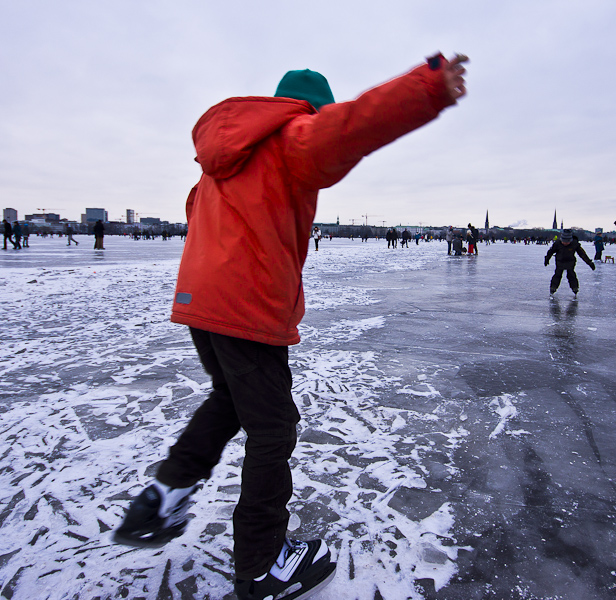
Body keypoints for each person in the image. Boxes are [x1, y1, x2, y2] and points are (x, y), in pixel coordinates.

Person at [112, 52, 469, 600]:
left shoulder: (222, 158)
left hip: (200, 298)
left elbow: (196, 216)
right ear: (305, 108)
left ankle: (167, 491)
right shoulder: (293, 136)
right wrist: (429, 87)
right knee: (273, 429)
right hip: (247, 305)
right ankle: (261, 566)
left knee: (229, 398)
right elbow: (353, 125)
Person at [545, 229, 596, 297]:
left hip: (570, 262)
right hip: (560, 262)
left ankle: (575, 288)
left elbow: (582, 254)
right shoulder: (557, 244)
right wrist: (547, 259)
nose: (565, 243)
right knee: (557, 275)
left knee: (571, 275)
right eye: (564, 241)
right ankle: (553, 288)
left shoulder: (574, 244)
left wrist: (589, 263)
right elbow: (550, 252)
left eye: (567, 242)